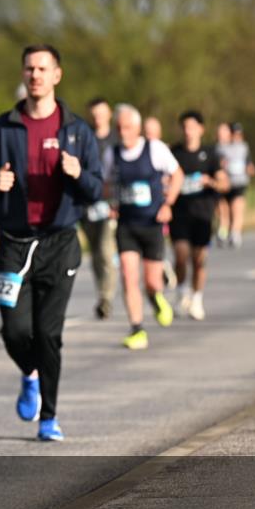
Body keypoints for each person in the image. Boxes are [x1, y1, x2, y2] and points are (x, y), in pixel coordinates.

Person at [0, 44, 103, 441]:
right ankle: (30, 373)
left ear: (56, 75)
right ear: (23, 73)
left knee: (48, 334)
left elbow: (96, 190)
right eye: (30, 68)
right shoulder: (3, 127)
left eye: (43, 69)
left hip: (59, 244)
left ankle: (49, 417)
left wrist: (78, 173)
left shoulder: (77, 131)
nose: (35, 75)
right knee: (14, 331)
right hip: (13, 244)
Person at [103, 104, 183, 350]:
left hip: (152, 224)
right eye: (119, 128)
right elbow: (106, 182)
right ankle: (137, 329)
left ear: (137, 128)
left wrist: (168, 204)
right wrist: (110, 202)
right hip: (126, 225)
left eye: (127, 127)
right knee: (128, 277)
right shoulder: (112, 153)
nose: (123, 132)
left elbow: (177, 174)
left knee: (152, 282)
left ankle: (155, 297)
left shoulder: (154, 149)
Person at [169, 110, 228, 320]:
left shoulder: (210, 154)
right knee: (181, 255)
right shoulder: (174, 153)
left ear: (201, 129)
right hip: (179, 213)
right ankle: (181, 292)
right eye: (185, 127)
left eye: (192, 127)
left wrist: (210, 181)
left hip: (202, 214)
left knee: (199, 259)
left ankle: (197, 299)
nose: (188, 131)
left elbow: (224, 183)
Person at [82, 97, 118, 319]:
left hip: (110, 204)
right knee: (95, 252)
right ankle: (101, 292)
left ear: (109, 113)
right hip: (88, 204)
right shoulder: (84, 137)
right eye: (94, 114)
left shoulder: (116, 138)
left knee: (106, 250)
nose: (98, 118)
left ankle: (107, 297)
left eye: (101, 113)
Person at [216, 122, 255, 247]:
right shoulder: (220, 148)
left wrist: (250, 169)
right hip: (224, 184)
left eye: (239, 134)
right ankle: (223, 232)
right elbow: (216, 164)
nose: (237, 136)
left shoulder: (244, 147)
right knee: (223, 211)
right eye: (235, 134)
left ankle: (235, 233)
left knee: (237, 209)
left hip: (239, 183)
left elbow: (249, 163)